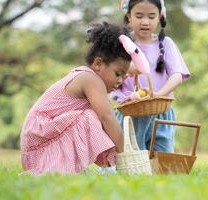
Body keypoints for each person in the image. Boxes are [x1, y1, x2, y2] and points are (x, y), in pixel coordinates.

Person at [20, 22, 137, 175]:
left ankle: (86, 168)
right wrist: (124, 155)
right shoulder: (90, 79)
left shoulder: (89, 76)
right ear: (98, 63)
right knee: (90, 117)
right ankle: (59, 167)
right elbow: (107, 118)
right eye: (118, 73)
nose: (121, 80)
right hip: (40, 141)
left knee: (93, 118)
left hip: (37, 144)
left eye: (124, 75)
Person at [112, 0, 190, 152]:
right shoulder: (122, 45)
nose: (145, 22)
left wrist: (158, 94)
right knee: (131, 160)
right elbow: (111, 75)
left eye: (151, 16)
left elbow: (177, 75)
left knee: (161, 160)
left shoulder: (165, 43)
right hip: (130, 111)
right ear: (129, 16)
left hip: (160, 111)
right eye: (139, 16)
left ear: (160, 17)